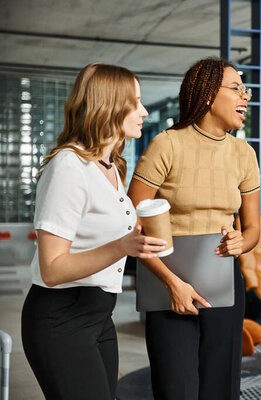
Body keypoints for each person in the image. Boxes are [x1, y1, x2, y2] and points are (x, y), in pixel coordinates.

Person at [21, 63, 166, 400]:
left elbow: (103, 236)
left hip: (99, 316)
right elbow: (52, 268)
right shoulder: (68, 167)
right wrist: (123, 246)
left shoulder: (112, 166)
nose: (144, 111)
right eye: (136, 102)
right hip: (60, 319)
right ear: (110, 105)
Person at [127, 57, 260, 400]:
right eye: (236, 89)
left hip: (223, 284)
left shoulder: (244, 153)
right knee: (176, 389)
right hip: (168, 283)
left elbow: (253, 231)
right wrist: (172, 283)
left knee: (221, 387)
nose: (245, 97)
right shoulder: (166, 145)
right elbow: (131, 222)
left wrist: (239, 242)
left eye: (244, 90)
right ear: (207, 95)